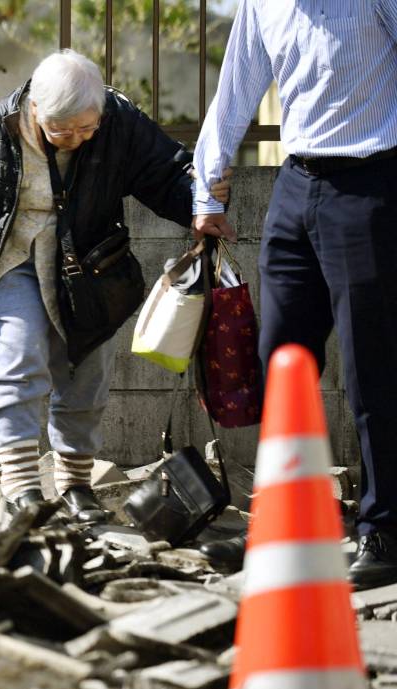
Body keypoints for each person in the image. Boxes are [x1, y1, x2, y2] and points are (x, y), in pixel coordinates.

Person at [0, 50, 227, 522]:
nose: (77, 138)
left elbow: (163, 172)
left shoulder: (118, 120)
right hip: (11, 258)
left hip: (88, 262)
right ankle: (21, 484)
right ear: (35, 108)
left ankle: (76, 483)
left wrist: (200, 203)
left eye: (87, 128)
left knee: (87, 370)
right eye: (62, 130)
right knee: (19, 357)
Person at [191, 0, 397, 589]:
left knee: (370, 368)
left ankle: (384, 529)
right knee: (281, 359)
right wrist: (206, 191)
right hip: (296, 184)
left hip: (370, 181)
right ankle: (282, 523)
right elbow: (234, 93)